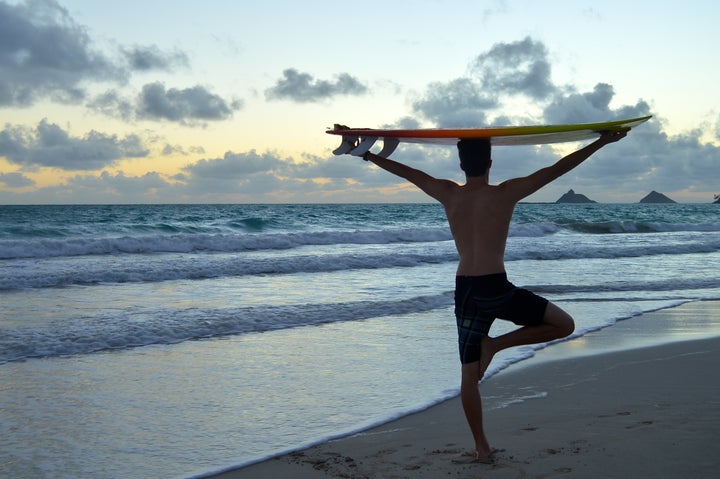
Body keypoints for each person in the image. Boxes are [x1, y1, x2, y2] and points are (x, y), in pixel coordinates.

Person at [357, 129, 628, 462]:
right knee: (564, 324)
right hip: (495, 287)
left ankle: (481, 448)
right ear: (490, 162)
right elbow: (556, 169)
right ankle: (496, 345)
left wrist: (369, 156)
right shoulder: (507, 193)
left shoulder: (447, 193)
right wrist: (601, 141)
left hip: (466, 290)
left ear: (460, 163)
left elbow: (410, 174)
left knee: (469, 376)